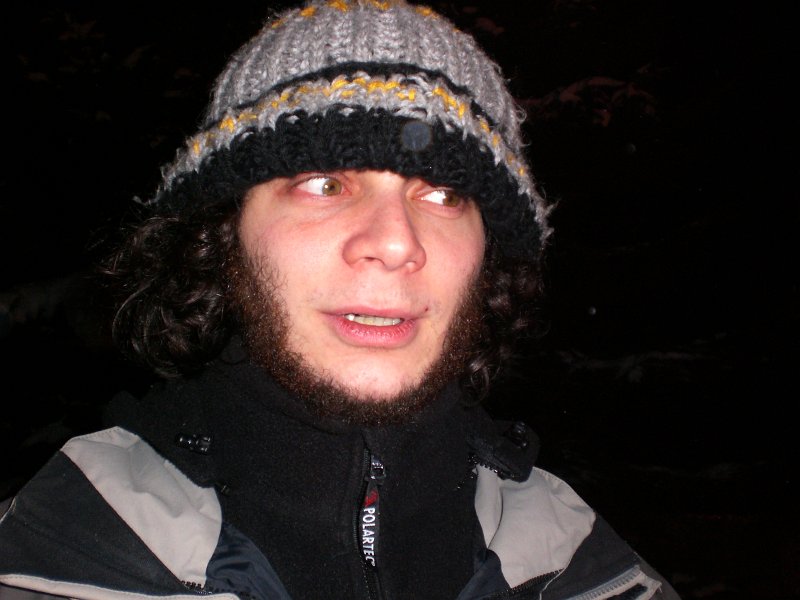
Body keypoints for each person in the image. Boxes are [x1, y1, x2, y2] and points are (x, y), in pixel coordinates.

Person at [0, 1, 680, 598]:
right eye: (325, 183)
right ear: (220, 233)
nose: (395, 242)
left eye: (444, 194)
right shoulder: (48, 555)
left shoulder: (591, 573)